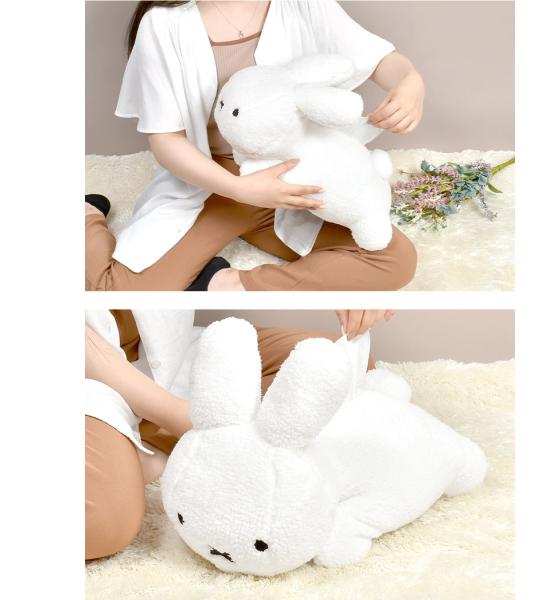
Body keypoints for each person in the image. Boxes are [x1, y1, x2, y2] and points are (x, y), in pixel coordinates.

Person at [85, 1, 423, 291]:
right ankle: (85, 216)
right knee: (119, 301)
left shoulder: (303, 4)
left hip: (297, 179)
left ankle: (225, 284)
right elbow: (166, 140)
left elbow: (381, 59)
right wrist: (239, 189)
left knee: (392, 260)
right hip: (215, 182)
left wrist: (410, 83)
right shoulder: (163, 23)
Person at [85, 309, 395, 560]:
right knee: (103, 524)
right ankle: (152, 448)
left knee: (341, 370)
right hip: (91, 376)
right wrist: (185, 418)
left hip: (159, 351)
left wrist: (346, 291)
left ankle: (157, 450)